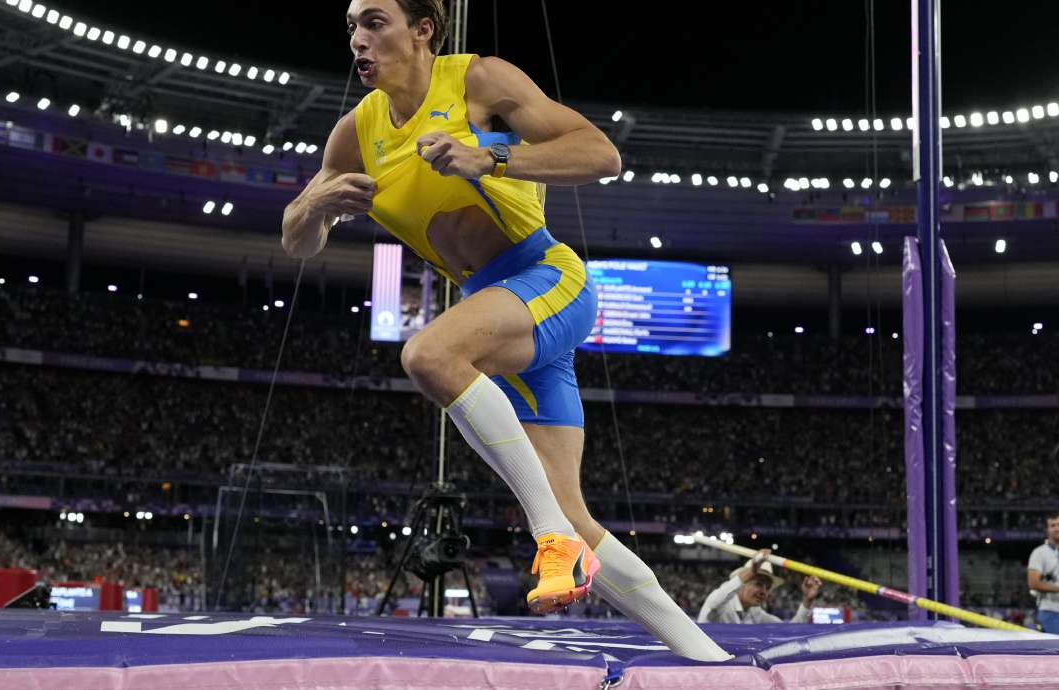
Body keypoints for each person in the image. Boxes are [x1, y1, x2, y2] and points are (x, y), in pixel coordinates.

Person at [281, 0, 729, 661]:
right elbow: (299, 241)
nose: (357, 38)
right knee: (576, 513)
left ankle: (552, 539)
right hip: (495, 311)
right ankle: (707, 657)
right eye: (351, 25)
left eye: (374, 21)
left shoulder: (477, 81)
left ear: (423, 29)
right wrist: (313, 205)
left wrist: (487, 159)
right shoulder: (355, 132)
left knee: (429, 353)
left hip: (547, 278)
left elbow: (600, 154)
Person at [698, 549, 823, 623]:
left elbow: (789, 631)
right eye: (758, 584)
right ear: (743, 583)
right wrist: (752, 571)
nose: (764, 592)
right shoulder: (724, 605)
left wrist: (807, 600)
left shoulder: (756, 613)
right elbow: (714, 603)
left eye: (768, 588)